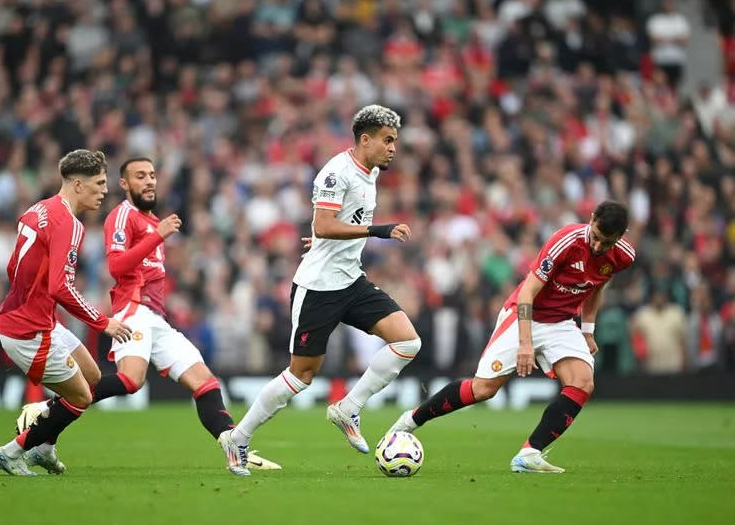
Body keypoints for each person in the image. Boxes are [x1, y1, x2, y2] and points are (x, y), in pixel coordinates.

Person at [18, 157, 280, 472]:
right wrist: (157, 236)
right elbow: (116, 267)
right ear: (125, 184)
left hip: (157, 317)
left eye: (153, 175)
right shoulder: (122, 216)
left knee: (206, 383)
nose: (150, 181)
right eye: (140, 176)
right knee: (131, 380)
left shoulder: (155, 222)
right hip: (133, 309)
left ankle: (233, 445)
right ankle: (45, 409)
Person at [219, 104, 421, 476]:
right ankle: (238, 437)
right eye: (387, 140)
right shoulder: (337, 171)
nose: (394, 148)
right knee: (301, 375)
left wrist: (326, 241)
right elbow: (325, 223)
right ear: (365, 139)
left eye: (395, 141)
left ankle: (348, 408)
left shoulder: (370, 172)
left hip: (351, 279)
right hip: (319, 288)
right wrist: (378, 231)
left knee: (408, 341)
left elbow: (334, 225)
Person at [386, 200, 635, 473]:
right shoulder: (565, 241)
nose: (598, 247)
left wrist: (588, 332)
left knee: (583, 383)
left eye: (607, 243)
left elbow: (595, 286)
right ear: (591, 219)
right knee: (483, 389)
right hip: (523, 317)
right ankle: (411, 420)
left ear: (620, 237)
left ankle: (529, 454)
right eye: (596, 237)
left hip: (561, 323)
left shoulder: (623, 256)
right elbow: (528, 292)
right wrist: (526, 344)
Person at [0, 149, 133, 476]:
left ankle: (44, 448)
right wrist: (103, 322)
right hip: (29, 331)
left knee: (93, 377)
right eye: (99, 183)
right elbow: (61, 287)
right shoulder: (69, 224)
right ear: (78, 185)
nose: (105, 190)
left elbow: (14, 266)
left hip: (33, 318)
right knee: (81, 397)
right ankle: (14, 451)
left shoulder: (39, 209)